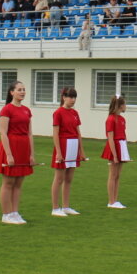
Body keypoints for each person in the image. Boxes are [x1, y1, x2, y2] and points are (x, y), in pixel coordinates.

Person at [0, 81, 36, 225]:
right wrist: (9, 154)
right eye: (19, 89)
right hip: (11, 147)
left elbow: (30, 133)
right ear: (12, 92)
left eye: (24, 89)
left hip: (23, 148)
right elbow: (3, 133)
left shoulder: (26, 110)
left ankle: (15, 212)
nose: (22, 92)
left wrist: (31, 154)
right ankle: (6, 214)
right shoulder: (7, 110)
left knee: (19, 182)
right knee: (8, 182)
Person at [51, 87, 86, 216]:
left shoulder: (75, 113)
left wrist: (81, 151)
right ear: (64, 97)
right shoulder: (58, 113)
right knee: (59, 178)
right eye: (70, 97)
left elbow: (78, 132)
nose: (73, 100)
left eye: (74, 97)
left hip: (74, 145)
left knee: (69, 178)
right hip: (63, 145)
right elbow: (55, 133)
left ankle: (66, 206)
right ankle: (55, 208)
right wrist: (59, 152)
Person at [102, 95, 128, 209]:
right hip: (114, 147)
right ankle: (111, 201)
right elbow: (110, 138)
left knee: (118, 175)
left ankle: (115, 200)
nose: (126, 106)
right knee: (112, 175)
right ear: (120, 106)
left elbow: (124, 135)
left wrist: (124, 151)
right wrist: (115, 155)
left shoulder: (122, 119)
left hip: (121, 146)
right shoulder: (110, 119)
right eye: (124, 104)